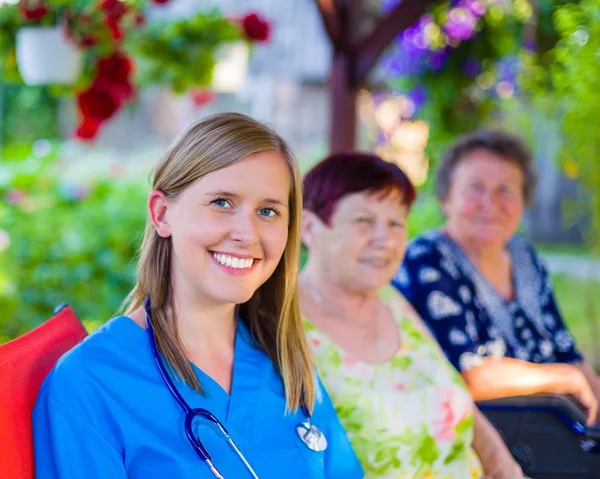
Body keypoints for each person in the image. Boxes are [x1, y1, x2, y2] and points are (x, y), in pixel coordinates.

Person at [32, 113, 364, 479]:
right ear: (162, 214)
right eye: (222, 202)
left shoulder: (287, 363)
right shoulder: (89, 383)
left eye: (268, 211)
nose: (246, 234)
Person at [299, 152, 524, 478]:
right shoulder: (281, 325)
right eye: (363, 221)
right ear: (309, 227)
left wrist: (507, 469)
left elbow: (458, 400)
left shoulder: (392, 302)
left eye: (395, 223)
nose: (385, 240)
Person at [393, 129, 600, 425]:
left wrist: (586, 383)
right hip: (477, 437)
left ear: (523, 201)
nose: (490, 202)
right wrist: (564, 378)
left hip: (555, 429)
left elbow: (567, 352)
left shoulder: (523, 256)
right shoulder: (427, 259)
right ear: (446, 198)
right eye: (475, 188)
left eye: (505, 189)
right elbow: (470, 377)